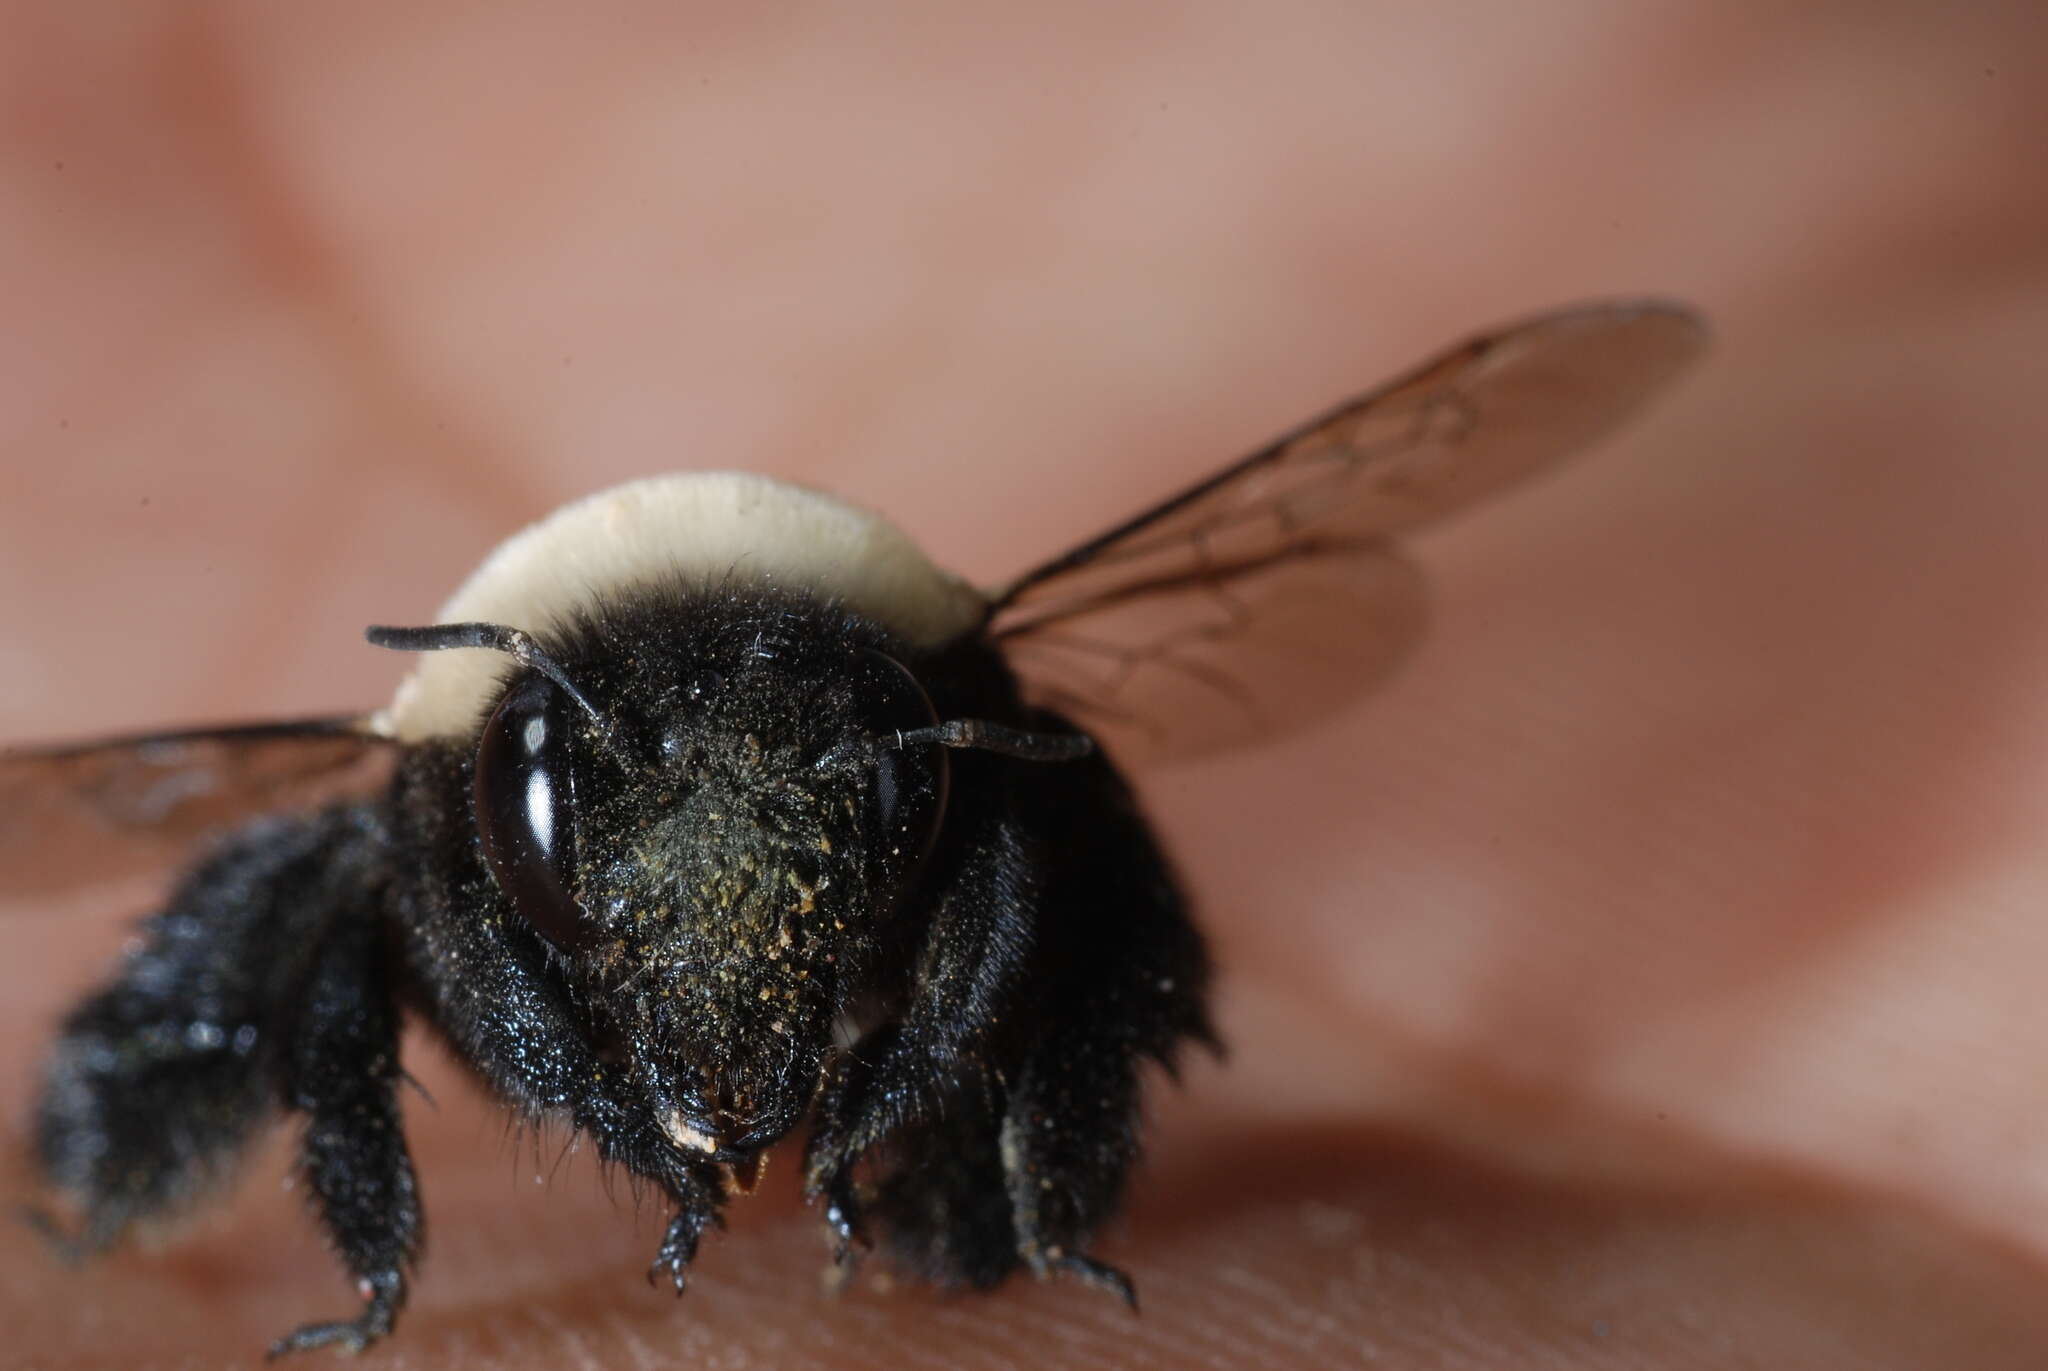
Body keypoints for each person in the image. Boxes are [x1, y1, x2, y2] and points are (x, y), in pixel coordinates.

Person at [6, 3, 2048, 1363]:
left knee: (1065, 795)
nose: (737, 915)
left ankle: (1004, 1189)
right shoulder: (423, 812)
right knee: (292, 892)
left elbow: (1061, 868)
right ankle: (179, 1213)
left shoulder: (998, 753)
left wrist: (974, 1119)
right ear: (498, 784)